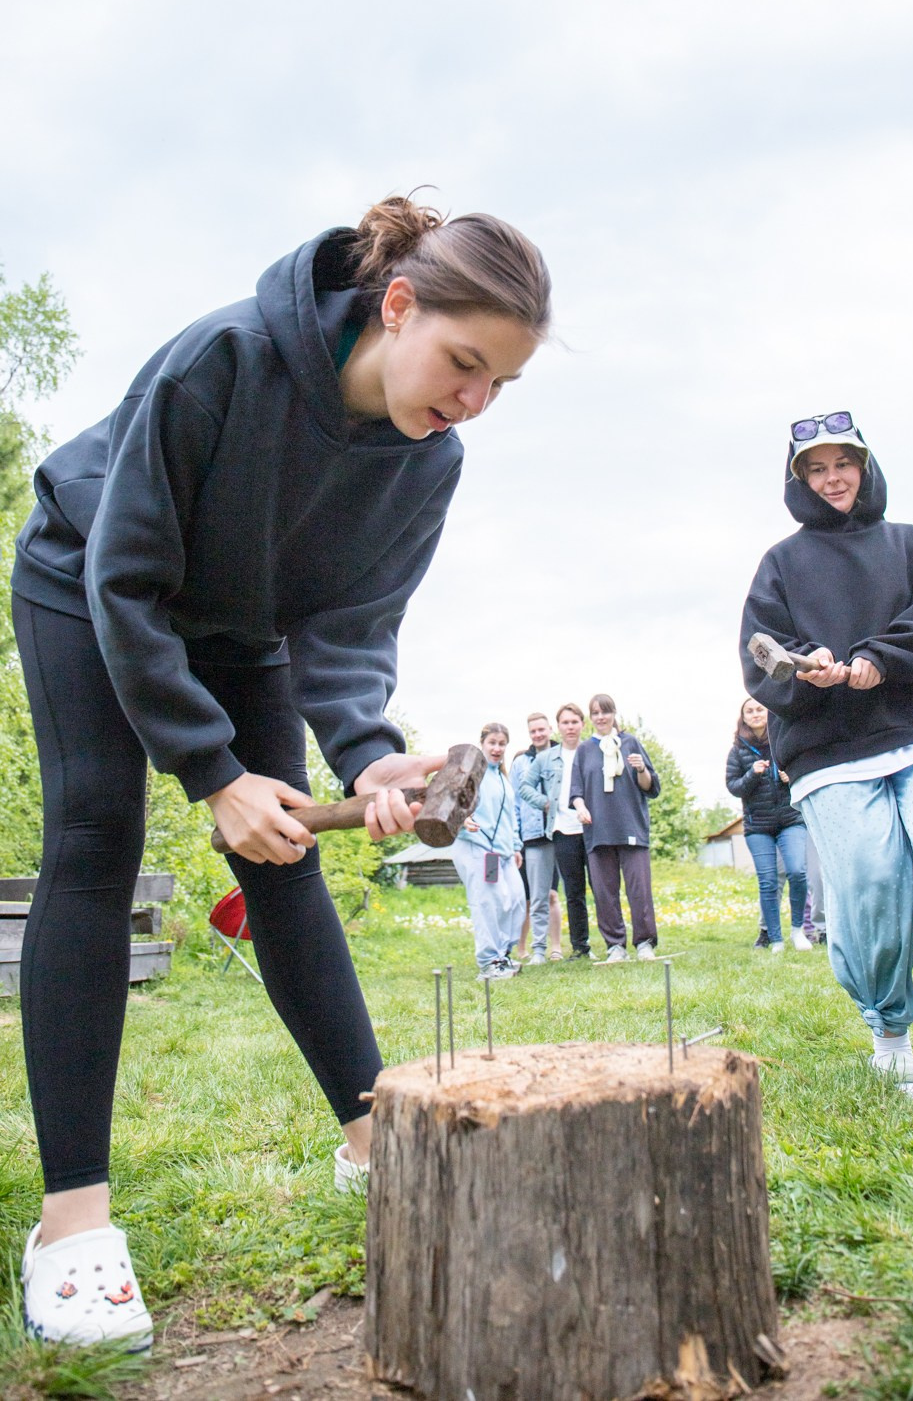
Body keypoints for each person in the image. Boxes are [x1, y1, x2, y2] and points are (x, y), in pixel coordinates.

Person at [13, 197, 551, 1347]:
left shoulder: (429, 461)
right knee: (98, 836)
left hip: (242, 623)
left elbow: (351, 630)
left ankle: (375, 1147)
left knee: (286, 856)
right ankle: (72, 1228)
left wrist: (363, 757)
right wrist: (213, 775)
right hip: (89, 576)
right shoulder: (227, 360)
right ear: (396, 305)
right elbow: (128, 572)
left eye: (498, 385)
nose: (470, 404)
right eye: (463, 364)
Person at [740, 411, 913, 1100]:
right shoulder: (781, 563)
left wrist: (877, 660)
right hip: (829, 751)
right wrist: (807, 670)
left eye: (844, 463)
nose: (832, 479)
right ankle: (890, 1038)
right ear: (798, 479)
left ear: (865, 467)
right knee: (870, 875)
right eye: (816, 468)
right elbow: (760, 656)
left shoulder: (910, 544)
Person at [569, 694, 660, 962]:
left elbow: (650, 786)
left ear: (613, 714)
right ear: (591, 718)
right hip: (598, 830)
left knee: (639, 889)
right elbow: (576, 790)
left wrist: (642, 768)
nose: (600, 717)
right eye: (595, 713)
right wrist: (580, 806)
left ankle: (644, 943)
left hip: (631, 825)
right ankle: (615, 946)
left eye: (605, 712)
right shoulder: (585, 750)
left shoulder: (631, 743)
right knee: (604, 892)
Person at [726, 698, 812, 953]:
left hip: (790, 820)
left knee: (797, 871)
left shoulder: (783, 740)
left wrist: (791, 775)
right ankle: (775, 939)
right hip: (758, 826)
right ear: (743, 718)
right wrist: (752, 773)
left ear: (768, 712)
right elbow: (733, 787)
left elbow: (806, 770)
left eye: (759, 709)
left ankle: (798, 931)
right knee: (767, 881)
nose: (755, 714)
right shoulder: (738, 750)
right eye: (749, 711)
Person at [451, 722, 526, 979]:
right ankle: (489, 962)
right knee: (488, 904)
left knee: (515, 901)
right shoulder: (470, 772)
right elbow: (446, 801)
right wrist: (461, 819)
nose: (497, 748)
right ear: (482, 743)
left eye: (502, 743)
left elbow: (509, 817)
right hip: (475, 847)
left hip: (503, 853)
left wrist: (515, 846)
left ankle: (503, 954)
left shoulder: (502, 777)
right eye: (492, 743)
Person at [519, 702, 593, 960]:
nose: (570, 727)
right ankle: (581, 947)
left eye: (574, 722)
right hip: (562, 829)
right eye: (565, 722)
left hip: (593, 829)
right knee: (573, 891)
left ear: (582, 724)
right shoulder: (545, 758)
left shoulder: (592, 751)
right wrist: (546, 803)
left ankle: (614, 944)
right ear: (558, 727)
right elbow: (524, 787)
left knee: (601, 888)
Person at [510, 712, 564, 963]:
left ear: (550, 729)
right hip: (533, 837)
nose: (538, 734)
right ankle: (536, 948)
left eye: (542, 729)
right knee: (536, 896)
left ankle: (558, 946)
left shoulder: (564, 755)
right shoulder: (521, 763)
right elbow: (515, 803)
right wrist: (516, 837)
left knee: (557, 893)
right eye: (533, 731)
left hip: (562, 831)